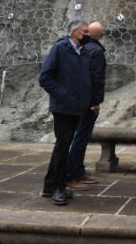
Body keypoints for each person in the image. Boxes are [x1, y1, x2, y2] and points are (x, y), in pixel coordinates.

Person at [39, 20, 98, 206]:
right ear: (75, 32)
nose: (88, 34)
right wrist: (63, 95)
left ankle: (49, 186)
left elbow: (85, 79)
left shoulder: (83, 52)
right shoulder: (60, 49)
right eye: (85, 31)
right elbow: (45, 78)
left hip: (77, 107)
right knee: (63, 145)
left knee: (63, 144)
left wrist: (90, 99)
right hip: (63, 107)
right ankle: (59, 186)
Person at [64, 20, 107, 190]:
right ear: (101, 35)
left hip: (78, 100)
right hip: (88, 102)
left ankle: (78, 170)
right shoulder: (95, 51)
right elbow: (96, 79)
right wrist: (95, 102)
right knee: (81, 137)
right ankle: (72, 174)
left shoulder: (82, 48)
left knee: (79, 137)